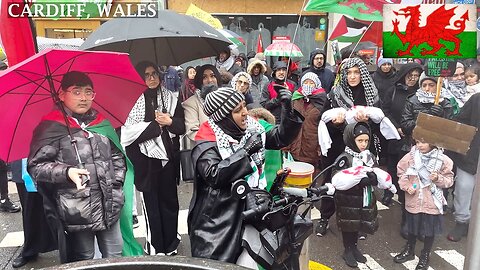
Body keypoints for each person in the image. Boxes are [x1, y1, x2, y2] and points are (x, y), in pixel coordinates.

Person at [188, 87, 303, 263]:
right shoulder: (205, 142)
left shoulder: (251, 128)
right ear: (222, 116)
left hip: (252, 209)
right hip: (220, 221)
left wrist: (289, 110)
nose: (244, 113)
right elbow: (214, 175)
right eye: (237, 110)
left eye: (243, 106)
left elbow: (280, 137)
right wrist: (246, 150)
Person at [28, 71, 127, 262]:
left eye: (88, 92)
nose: (84, 98)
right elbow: (36, 166)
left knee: (115, 256)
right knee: (84, 259)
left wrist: (116, 183)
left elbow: (117, 156)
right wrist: (67, 172)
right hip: (77, 209)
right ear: (61, 94)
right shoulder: (50, 128)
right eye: (76, 92)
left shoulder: (101, 124)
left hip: (109, 204)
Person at [121, 61, 185, 255]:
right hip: (146, 162)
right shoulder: (132, 101)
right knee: (152, 205)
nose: (151, 78)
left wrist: (170, 121)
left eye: (154, 73)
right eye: (146, 75)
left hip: (169, 159)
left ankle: (171, 242)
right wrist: (155, 127)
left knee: (170, 201)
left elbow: (181, 127)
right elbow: (126, 134)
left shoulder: (171, 98)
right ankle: (156, 245)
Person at [316, 57, 382, 237]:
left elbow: (379, 125)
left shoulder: (371, 95)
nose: (352, 76)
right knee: (332, 182)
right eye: (349, 73)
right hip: (338, 149)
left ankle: (358, 224)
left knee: (360, 185)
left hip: (361, 149)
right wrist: (337, 123)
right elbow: (322, 121)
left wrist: (366, 122)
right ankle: (324, 217)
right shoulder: (334, 94)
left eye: (356, 72)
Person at [395, 139, 454, 270]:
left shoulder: (444, 160)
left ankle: (425, 254)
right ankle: (409, 249)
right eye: (417, 142)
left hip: (432, 199)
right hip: (414, 197)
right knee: (412, 226)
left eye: (424, 142)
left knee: (429, 230)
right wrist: (407, 186)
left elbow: (449, 181)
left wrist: (438, 178)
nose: (420, 145)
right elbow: (401, 172)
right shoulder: (410, 156)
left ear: (432, 142)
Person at [331, 122, 380, 268]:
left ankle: (354, 247)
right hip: (347, 200)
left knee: (358, 224)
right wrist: (359, 182)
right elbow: (336, 178)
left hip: (363, 198)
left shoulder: (369, 156)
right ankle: (347, 250)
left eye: (366, 140)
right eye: (360, 141)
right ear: (351, 139)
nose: (363, 144)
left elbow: (376, 170)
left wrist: (374, 178)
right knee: (349, 225)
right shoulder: (345, 158)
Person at [381, 63, 423, 206]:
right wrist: (396, 126)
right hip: (396, 134)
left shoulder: (420, 93)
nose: (412, 79)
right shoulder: (393, 91)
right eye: (409, 76)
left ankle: (404, 194)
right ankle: (389, 191)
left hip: (413, 136)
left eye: (416, 76)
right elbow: (385, 110)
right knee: (393, 166)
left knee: (410, 167)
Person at [10, 160, 57, 268]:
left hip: (50, 161)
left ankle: (66, 245)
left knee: (57, 207)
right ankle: (30, 249)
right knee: (28, 210)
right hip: (22, 162)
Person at [446, 92, 480, 242]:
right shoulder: (476, 99)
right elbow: (460, 121)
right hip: (471, 155)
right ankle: (462, 221)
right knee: (464, 188)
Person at [283, 72, 326, 175]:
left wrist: (320, 147)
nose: (308, 85)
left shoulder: (322, 100)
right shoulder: (296, 98)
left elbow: (324, 127)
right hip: (295, 143)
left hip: (312, 144)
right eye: (306, 82)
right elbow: (288, 120)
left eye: (311, 83)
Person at [182, 64, 221, 148]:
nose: (210, 80)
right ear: (199, 80)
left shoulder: (226, 98)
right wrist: (219, 138)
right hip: (206, 151)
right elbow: (192, 132)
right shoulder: (191, 103)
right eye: (204, 77)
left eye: (212, 76)